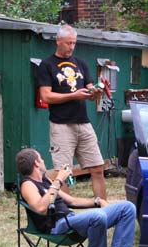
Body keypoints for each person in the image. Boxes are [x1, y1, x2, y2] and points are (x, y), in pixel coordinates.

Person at [16, 148, 137, 247]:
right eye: (41, 158)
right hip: (57, 226)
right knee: (98, 216)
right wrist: (58, 180)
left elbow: (71, 201)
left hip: (70, 219)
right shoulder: (28, 184)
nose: (44, 161)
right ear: (36, 163)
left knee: (127, 208)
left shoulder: (45, 181)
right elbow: (40, 208)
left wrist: (97, 201)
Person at [36, 24, 107, 200]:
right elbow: (46, 96)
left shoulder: (81, 63)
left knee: (98, 168)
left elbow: (89, 91)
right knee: (63, 173)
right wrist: (73, 95)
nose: (72, 47)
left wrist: (95, 92)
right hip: (61, 125)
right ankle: (67, 212)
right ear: (58, 41)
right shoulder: (47, 65)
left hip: (83, 123)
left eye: (74, 43)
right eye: (68, 43)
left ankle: (104, 208)